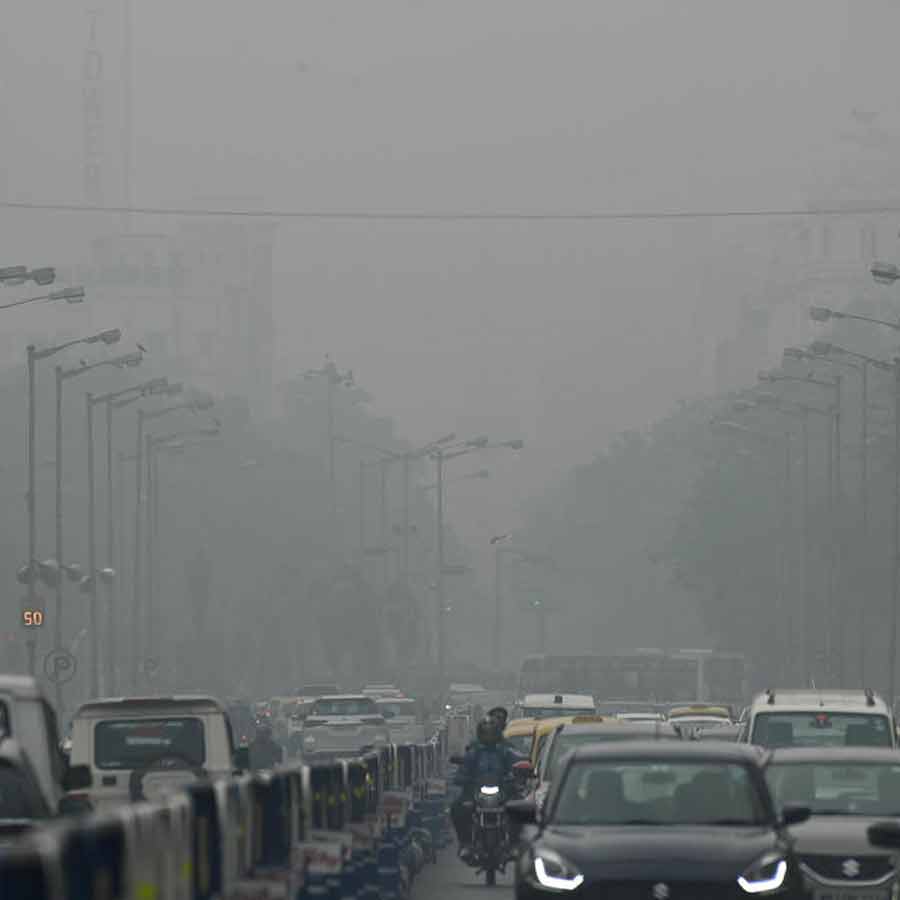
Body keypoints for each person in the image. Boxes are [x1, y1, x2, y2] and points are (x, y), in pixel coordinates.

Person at [451, 717, 518, 860]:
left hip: (502, 792)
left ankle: (514, 844)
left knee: (520, 808)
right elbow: (462, 771)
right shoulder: (473, 753)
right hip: (475, 792)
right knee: (457, 808)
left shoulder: (506, 752)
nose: (489, 737)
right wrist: (461, 778)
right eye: (486, 733)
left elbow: (516, 767)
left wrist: (516, 777)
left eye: (492, 733)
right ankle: (465, 843)